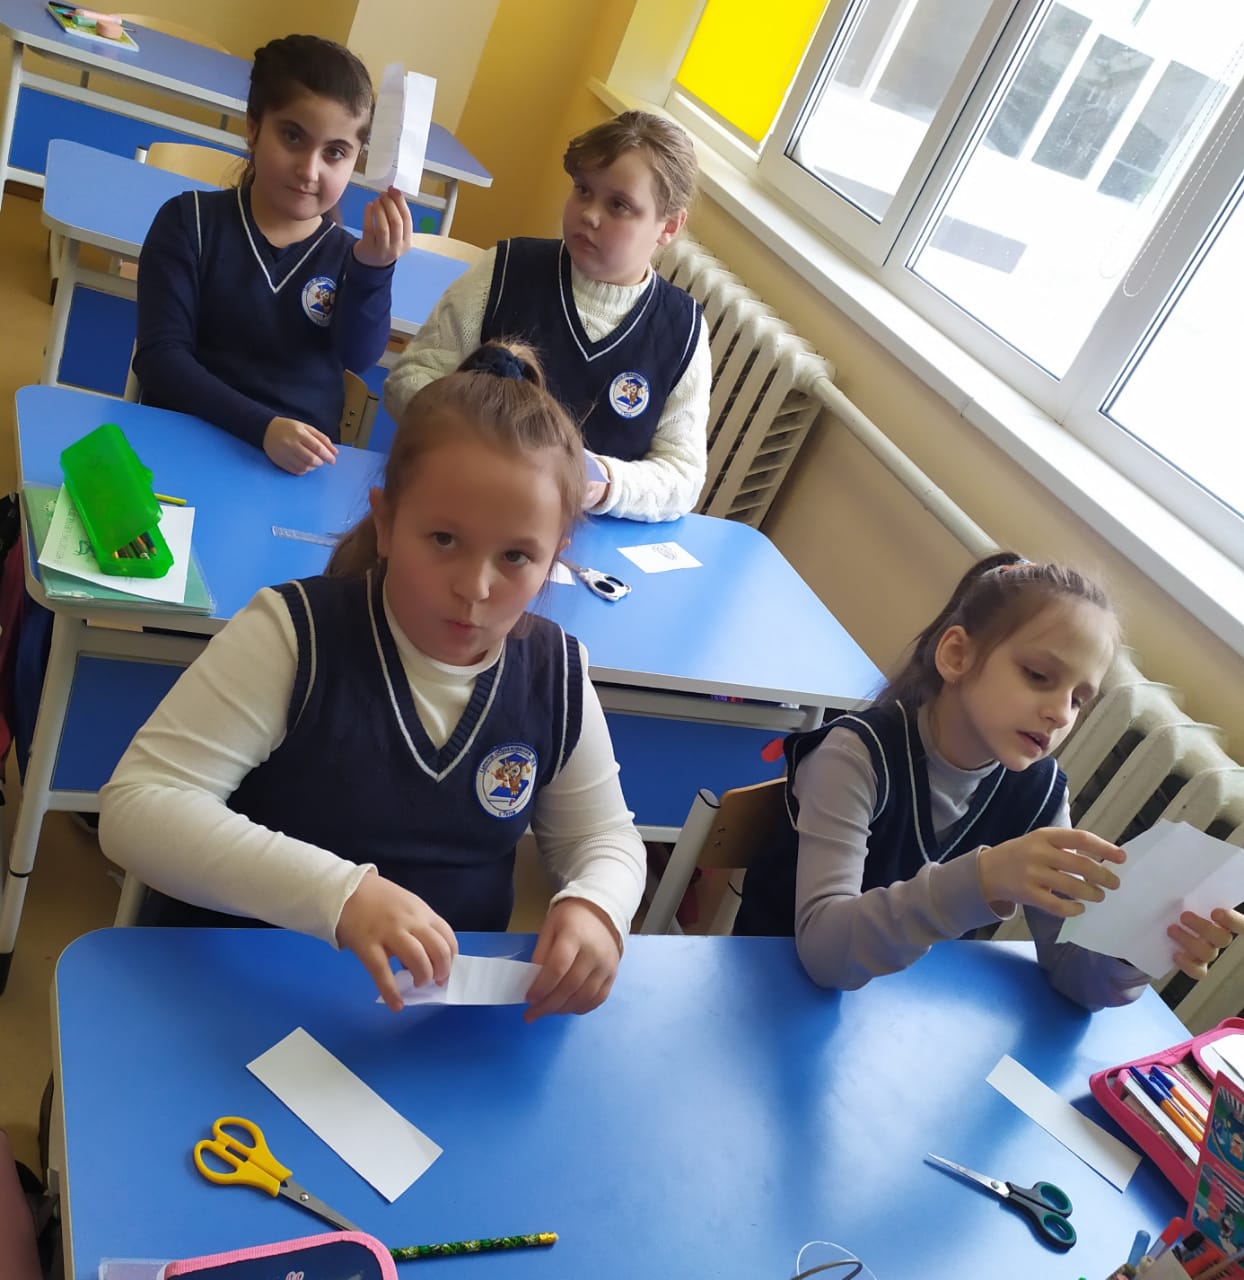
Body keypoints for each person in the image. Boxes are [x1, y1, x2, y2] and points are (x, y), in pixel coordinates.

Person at [99, 341, 647, 1022]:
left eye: (516, 556)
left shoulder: (557, 675)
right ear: (387, 523)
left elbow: (605, 838)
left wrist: (597, 905)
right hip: (239, 997)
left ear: (553, 561)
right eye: (443, 539)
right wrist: (343, 896)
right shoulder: (293, 634)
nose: (475, 587)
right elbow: (139, 808)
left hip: (421, 1026)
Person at [734, 552, 1244, 1010]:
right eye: (1038, 676)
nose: (1059, 712)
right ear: (957, 655)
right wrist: (982, 879)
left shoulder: (1041, 796)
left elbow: (1072, 973)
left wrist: (1138, 946)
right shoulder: (855, 756)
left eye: (1078, 699)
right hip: (759, 1001)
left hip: (894, 1019)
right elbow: (824, 955)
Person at [383, 111, 710, 522]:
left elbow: (682, 476)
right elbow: (408, 380)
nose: (590, 214)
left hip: (584, 534)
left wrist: (606, 482)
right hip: (464, 507)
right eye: (583, 190)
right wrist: (477, 435)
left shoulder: (683, 330)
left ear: (669, 226)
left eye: (619, 205)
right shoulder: (505, 270)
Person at [133, 34, 414, 476]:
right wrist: (263, 428)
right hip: (182, 443)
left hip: (295, 470)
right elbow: (160, 359)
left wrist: (374, 271)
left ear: (356, 159)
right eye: (292, 136)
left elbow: (358, 357)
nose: (309, 170)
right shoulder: (189, 223)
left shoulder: (350, 257)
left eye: (335, 153)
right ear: (253, 127)